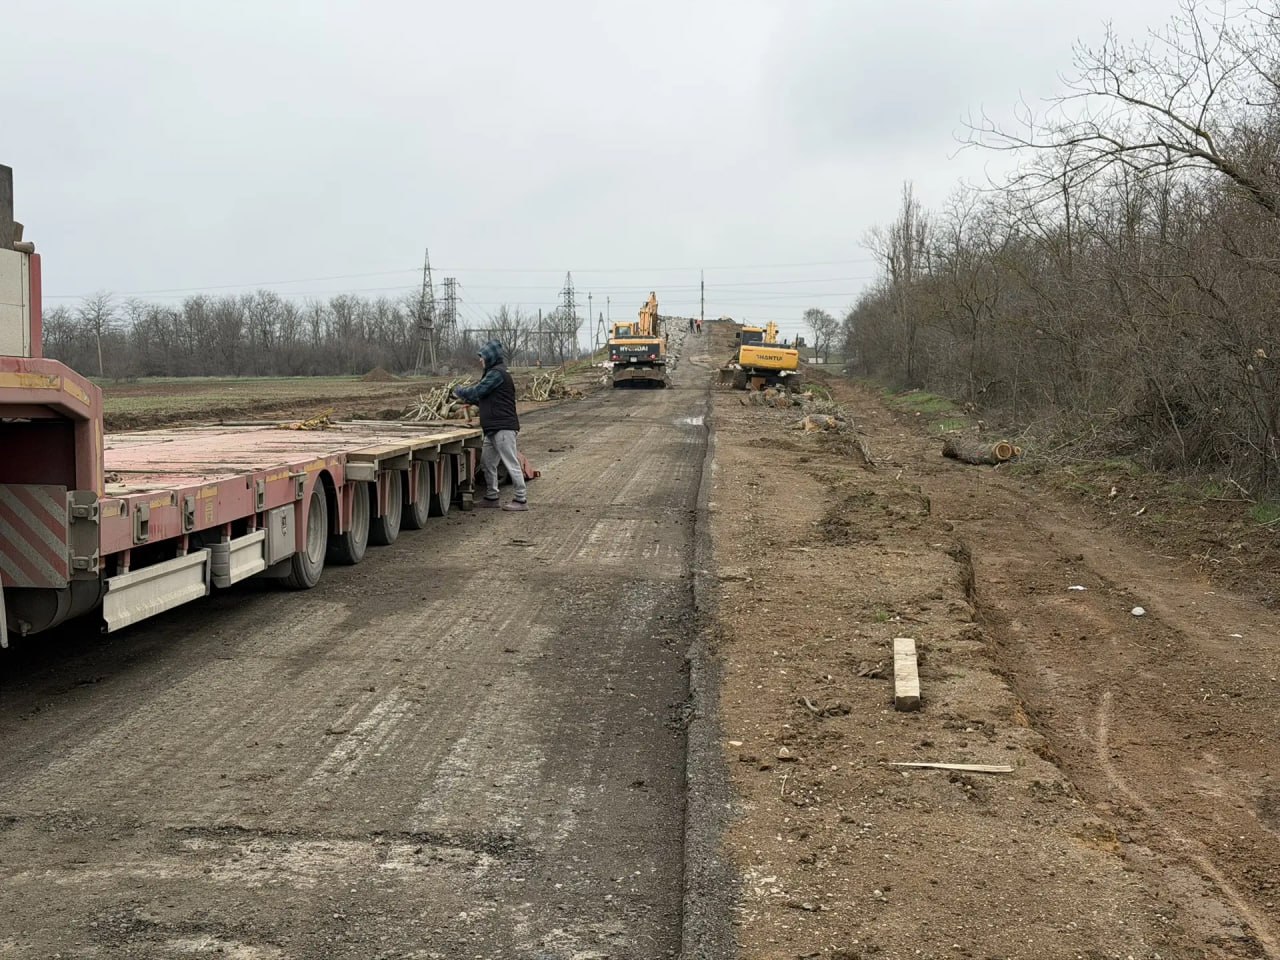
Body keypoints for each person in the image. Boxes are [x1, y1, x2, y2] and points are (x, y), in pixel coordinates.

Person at [453, 340, 528, 511]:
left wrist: (460, 391)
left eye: (482, 357)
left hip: (503, 428)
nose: (480, 360)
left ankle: (521, 499)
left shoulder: (497, 374)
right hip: (493, 428)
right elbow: (484, 398)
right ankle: (492, 497)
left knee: (510, 463)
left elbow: (479, 391)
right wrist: (468, 399)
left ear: (490, 357)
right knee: (487, 463)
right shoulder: (493, 374)